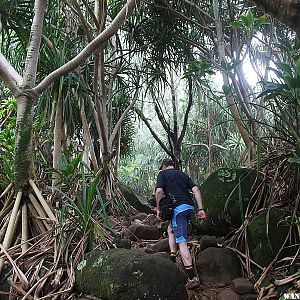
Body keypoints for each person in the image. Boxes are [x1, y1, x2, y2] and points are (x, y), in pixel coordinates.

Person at [155, 158, 206, 289]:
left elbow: (159, 191)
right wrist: (201, 209)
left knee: (181, 240)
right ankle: (173, 256)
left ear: (164, 166)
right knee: (171, 229)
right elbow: (196, 190)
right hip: (189, 208)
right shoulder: (183, 174)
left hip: (178, 210)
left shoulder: (162, 174)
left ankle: (192, 277)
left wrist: (159, 208)